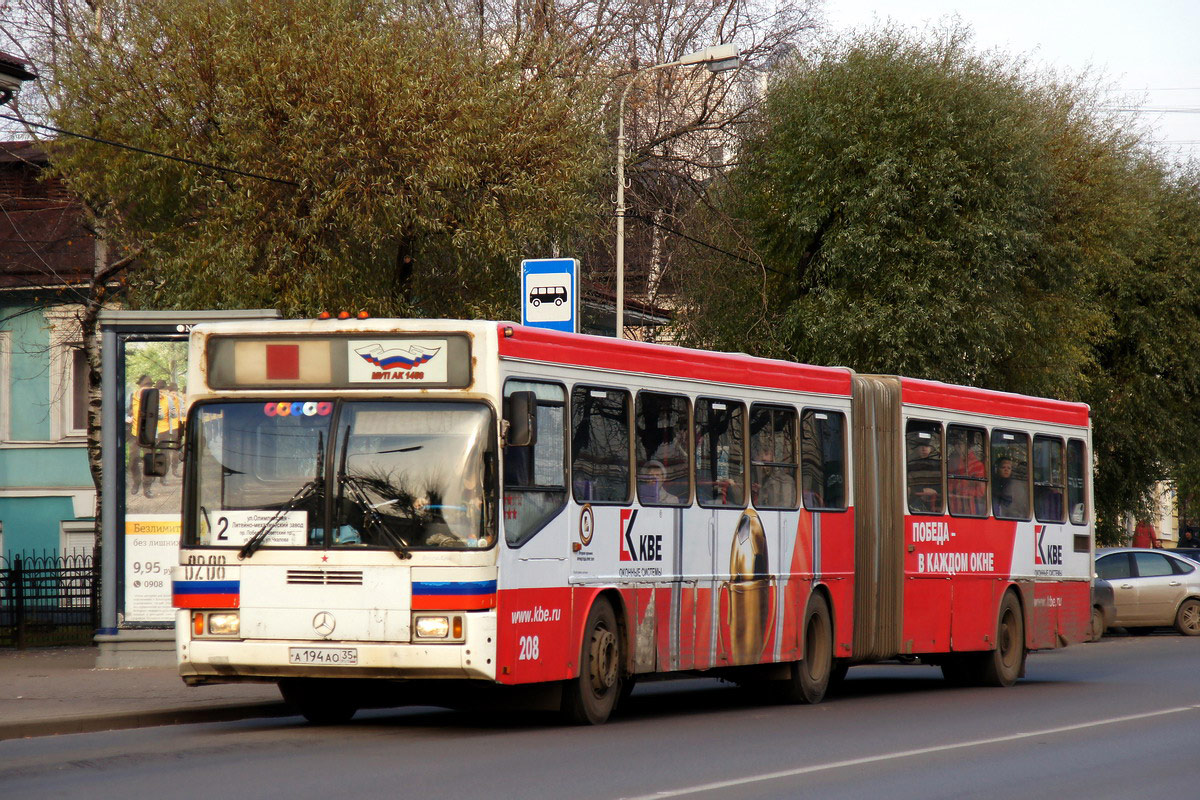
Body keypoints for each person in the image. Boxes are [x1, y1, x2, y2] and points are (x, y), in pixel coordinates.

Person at [947, 432, 985, 516]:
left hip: (970, 509)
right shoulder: (951, 462)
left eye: (960, 444)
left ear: (967, 445)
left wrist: (964, 491)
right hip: (952, 508)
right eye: (955, 445)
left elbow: (981, 491)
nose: (957, 447)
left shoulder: (977, 465)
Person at [907, 438, 941, 513]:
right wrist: (921, 491)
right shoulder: (908, 464)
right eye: (920, 446)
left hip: (936, 503)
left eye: (928, 446)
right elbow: (906, 488)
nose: (924, 449)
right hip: (915, 502)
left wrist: (935, 492)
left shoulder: (939, 463)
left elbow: (945, 485)